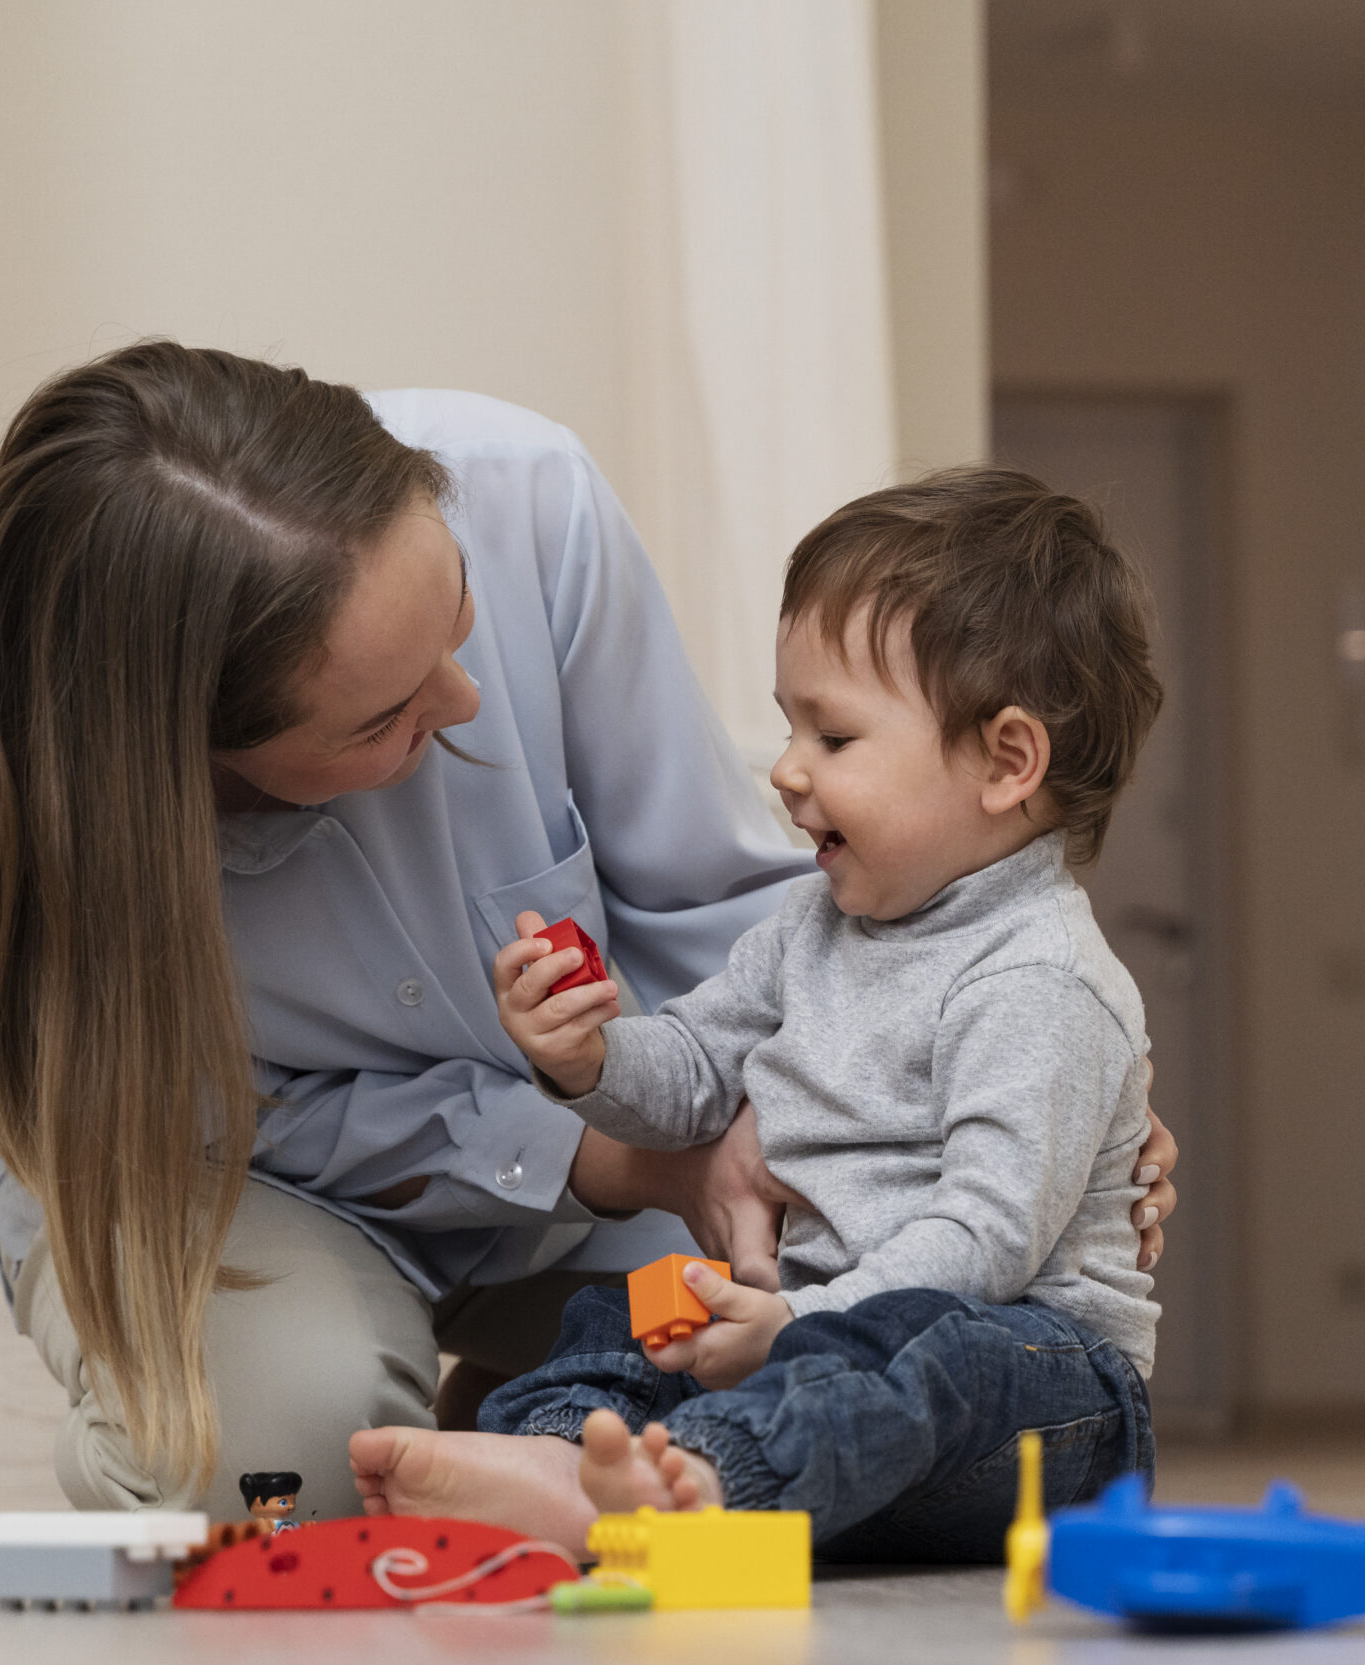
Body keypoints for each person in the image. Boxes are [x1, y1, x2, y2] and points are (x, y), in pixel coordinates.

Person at [0, 341, 1180, 1521]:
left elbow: (726, 917)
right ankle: (496, 1446)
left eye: (460, 622)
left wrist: (992, 1107)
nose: (469, 699)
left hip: (691, 1190)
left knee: (766, 1353)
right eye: (385, 716)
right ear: (194, 754)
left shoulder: (524, 493)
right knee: (280, 1476)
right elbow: (190, 1116)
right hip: (216, 1166)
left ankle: (531, 1439)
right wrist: (605, 1139)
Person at [347, 469, 1160, 1560]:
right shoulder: (813, 926)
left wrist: (799, 1326)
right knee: (627, 1311)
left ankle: (705, 1483)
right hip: (816, 1334)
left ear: (1007, 761)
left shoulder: (1040, 977)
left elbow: (986, 1240)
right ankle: (562, 1453)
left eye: (834, 739)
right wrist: (587, 1057)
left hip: (1040, 1387)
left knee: (932, 1355)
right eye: (789, 729)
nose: (785, 771)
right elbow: (691, 1074)